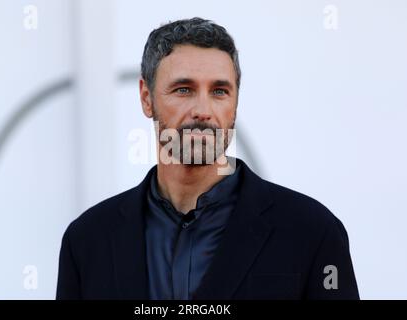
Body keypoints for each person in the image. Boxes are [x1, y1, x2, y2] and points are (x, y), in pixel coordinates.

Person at [56, 17, 359, 300]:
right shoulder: (87, 240)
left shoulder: (312, 231)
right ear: (146, 98)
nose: (202, 109)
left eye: (219, 91)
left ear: (235, 102)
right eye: (184, 89)